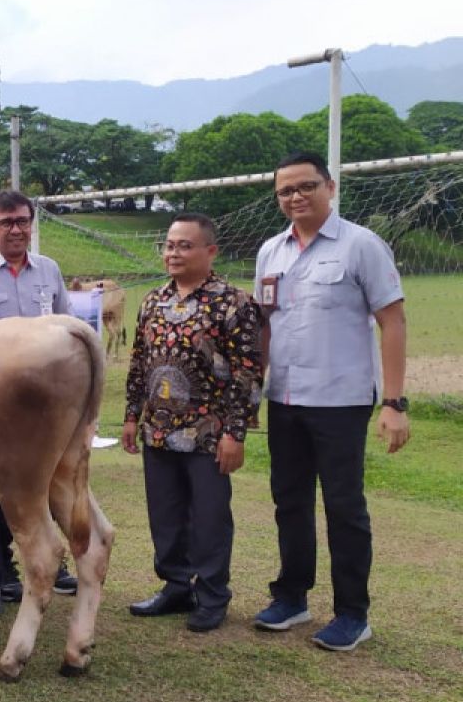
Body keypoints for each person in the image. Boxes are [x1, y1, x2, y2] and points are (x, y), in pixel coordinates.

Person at [252, 151, 410, 651]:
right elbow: (264, 327)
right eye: (285, 191)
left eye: (306, 186)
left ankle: (352, 614)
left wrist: (394, 403)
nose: (296, 197)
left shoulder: (360, 246)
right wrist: (253, 390)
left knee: (344, 506)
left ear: (330, 187)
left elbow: (393, 321)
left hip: (341, 400)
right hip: (285, 398)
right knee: (289, 501)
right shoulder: (270, 252)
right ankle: (292, 597)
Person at [121, 212, 262, 633]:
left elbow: (247, 373)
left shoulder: (233, 303)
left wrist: (235, 434)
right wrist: (131, 416)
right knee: (165, 515)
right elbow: (138, 363)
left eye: (184, 245)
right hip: (159, 431)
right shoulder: (152, 301)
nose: (174, 253)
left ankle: (213, 595)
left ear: (210, 251)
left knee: (209, 518)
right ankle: (176, 587)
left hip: (209, 434)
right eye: (169, 245)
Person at [0, 189, 80, 618]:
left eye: (23, 221)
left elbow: (68, 328)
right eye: (7, 222)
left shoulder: (49, 271)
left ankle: (53, 564)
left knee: (49, 486)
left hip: (45, 407)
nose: (17, 229)